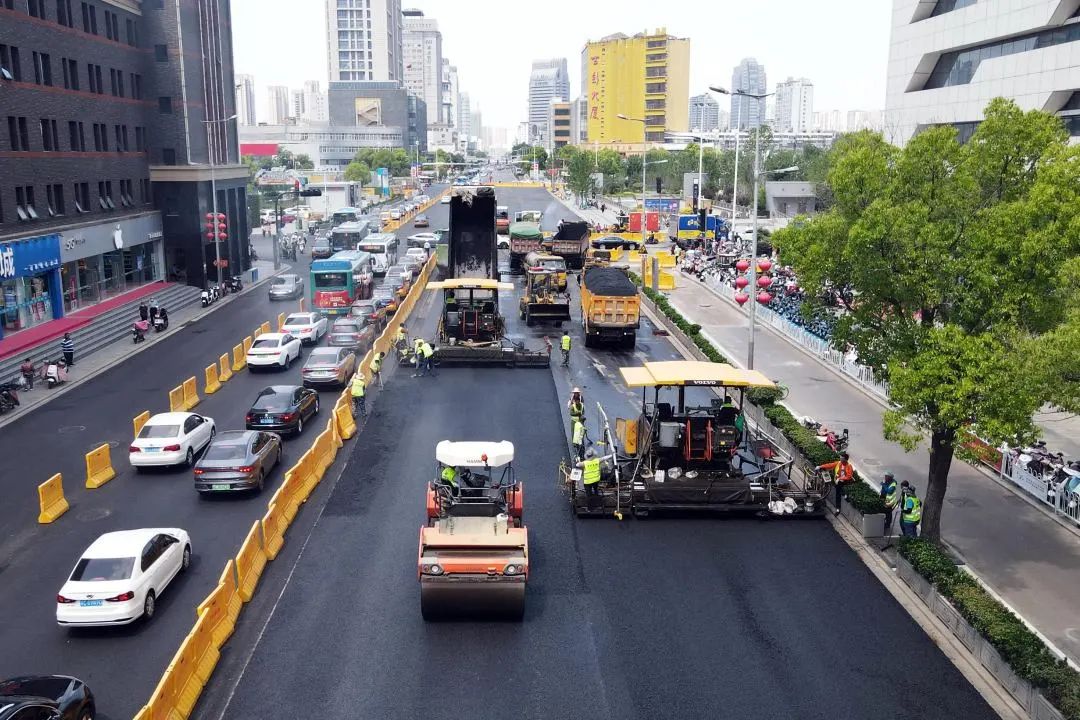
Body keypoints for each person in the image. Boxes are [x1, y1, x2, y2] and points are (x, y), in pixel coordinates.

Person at [817, 451, 854, 516]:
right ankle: (843, 497)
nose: (840, 460)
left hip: (845, 481)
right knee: (838, 490)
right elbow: (830, 465)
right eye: (840, 458)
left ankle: (838, 508)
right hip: (838, 481)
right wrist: (820, 466)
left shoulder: (849, 466)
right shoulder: (839, 463)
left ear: (845, 459)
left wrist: (840, 479)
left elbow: (849, 476)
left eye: (842, 459)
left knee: (838, 489)